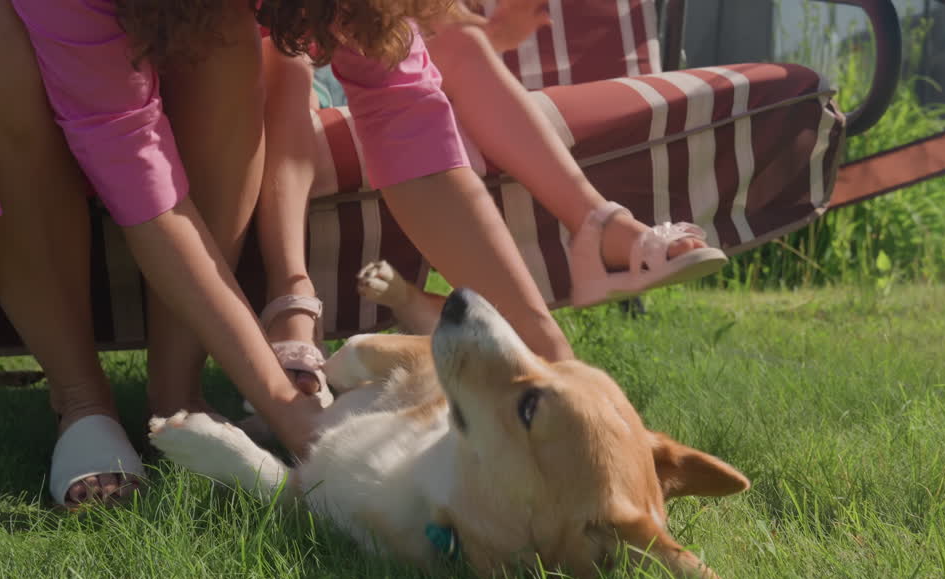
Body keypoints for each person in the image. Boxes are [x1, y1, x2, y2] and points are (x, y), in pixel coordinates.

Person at [0, 0, 575, 509]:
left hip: (168, 22)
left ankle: (178, 396)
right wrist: (294, 416)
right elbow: (135, 166)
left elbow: (408, 117)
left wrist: (557, 365)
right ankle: (81, 403)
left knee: (225, 39)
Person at [255, 0, 728, 397]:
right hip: (256, 68)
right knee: (287, 59)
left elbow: (406, 82)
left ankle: (597, 225)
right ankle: (291, 296)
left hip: (359, 58)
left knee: (447, 45)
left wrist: (542, 345)